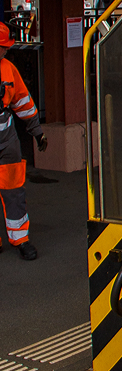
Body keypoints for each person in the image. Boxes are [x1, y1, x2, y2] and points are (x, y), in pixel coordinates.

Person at [0, 23, 46, 260]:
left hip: (6, 139)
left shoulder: (8, 70)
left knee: (14, 191)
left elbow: (23, 102)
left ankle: (20, 239)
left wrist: (36, 131)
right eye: (2, 48)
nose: (5, 52)